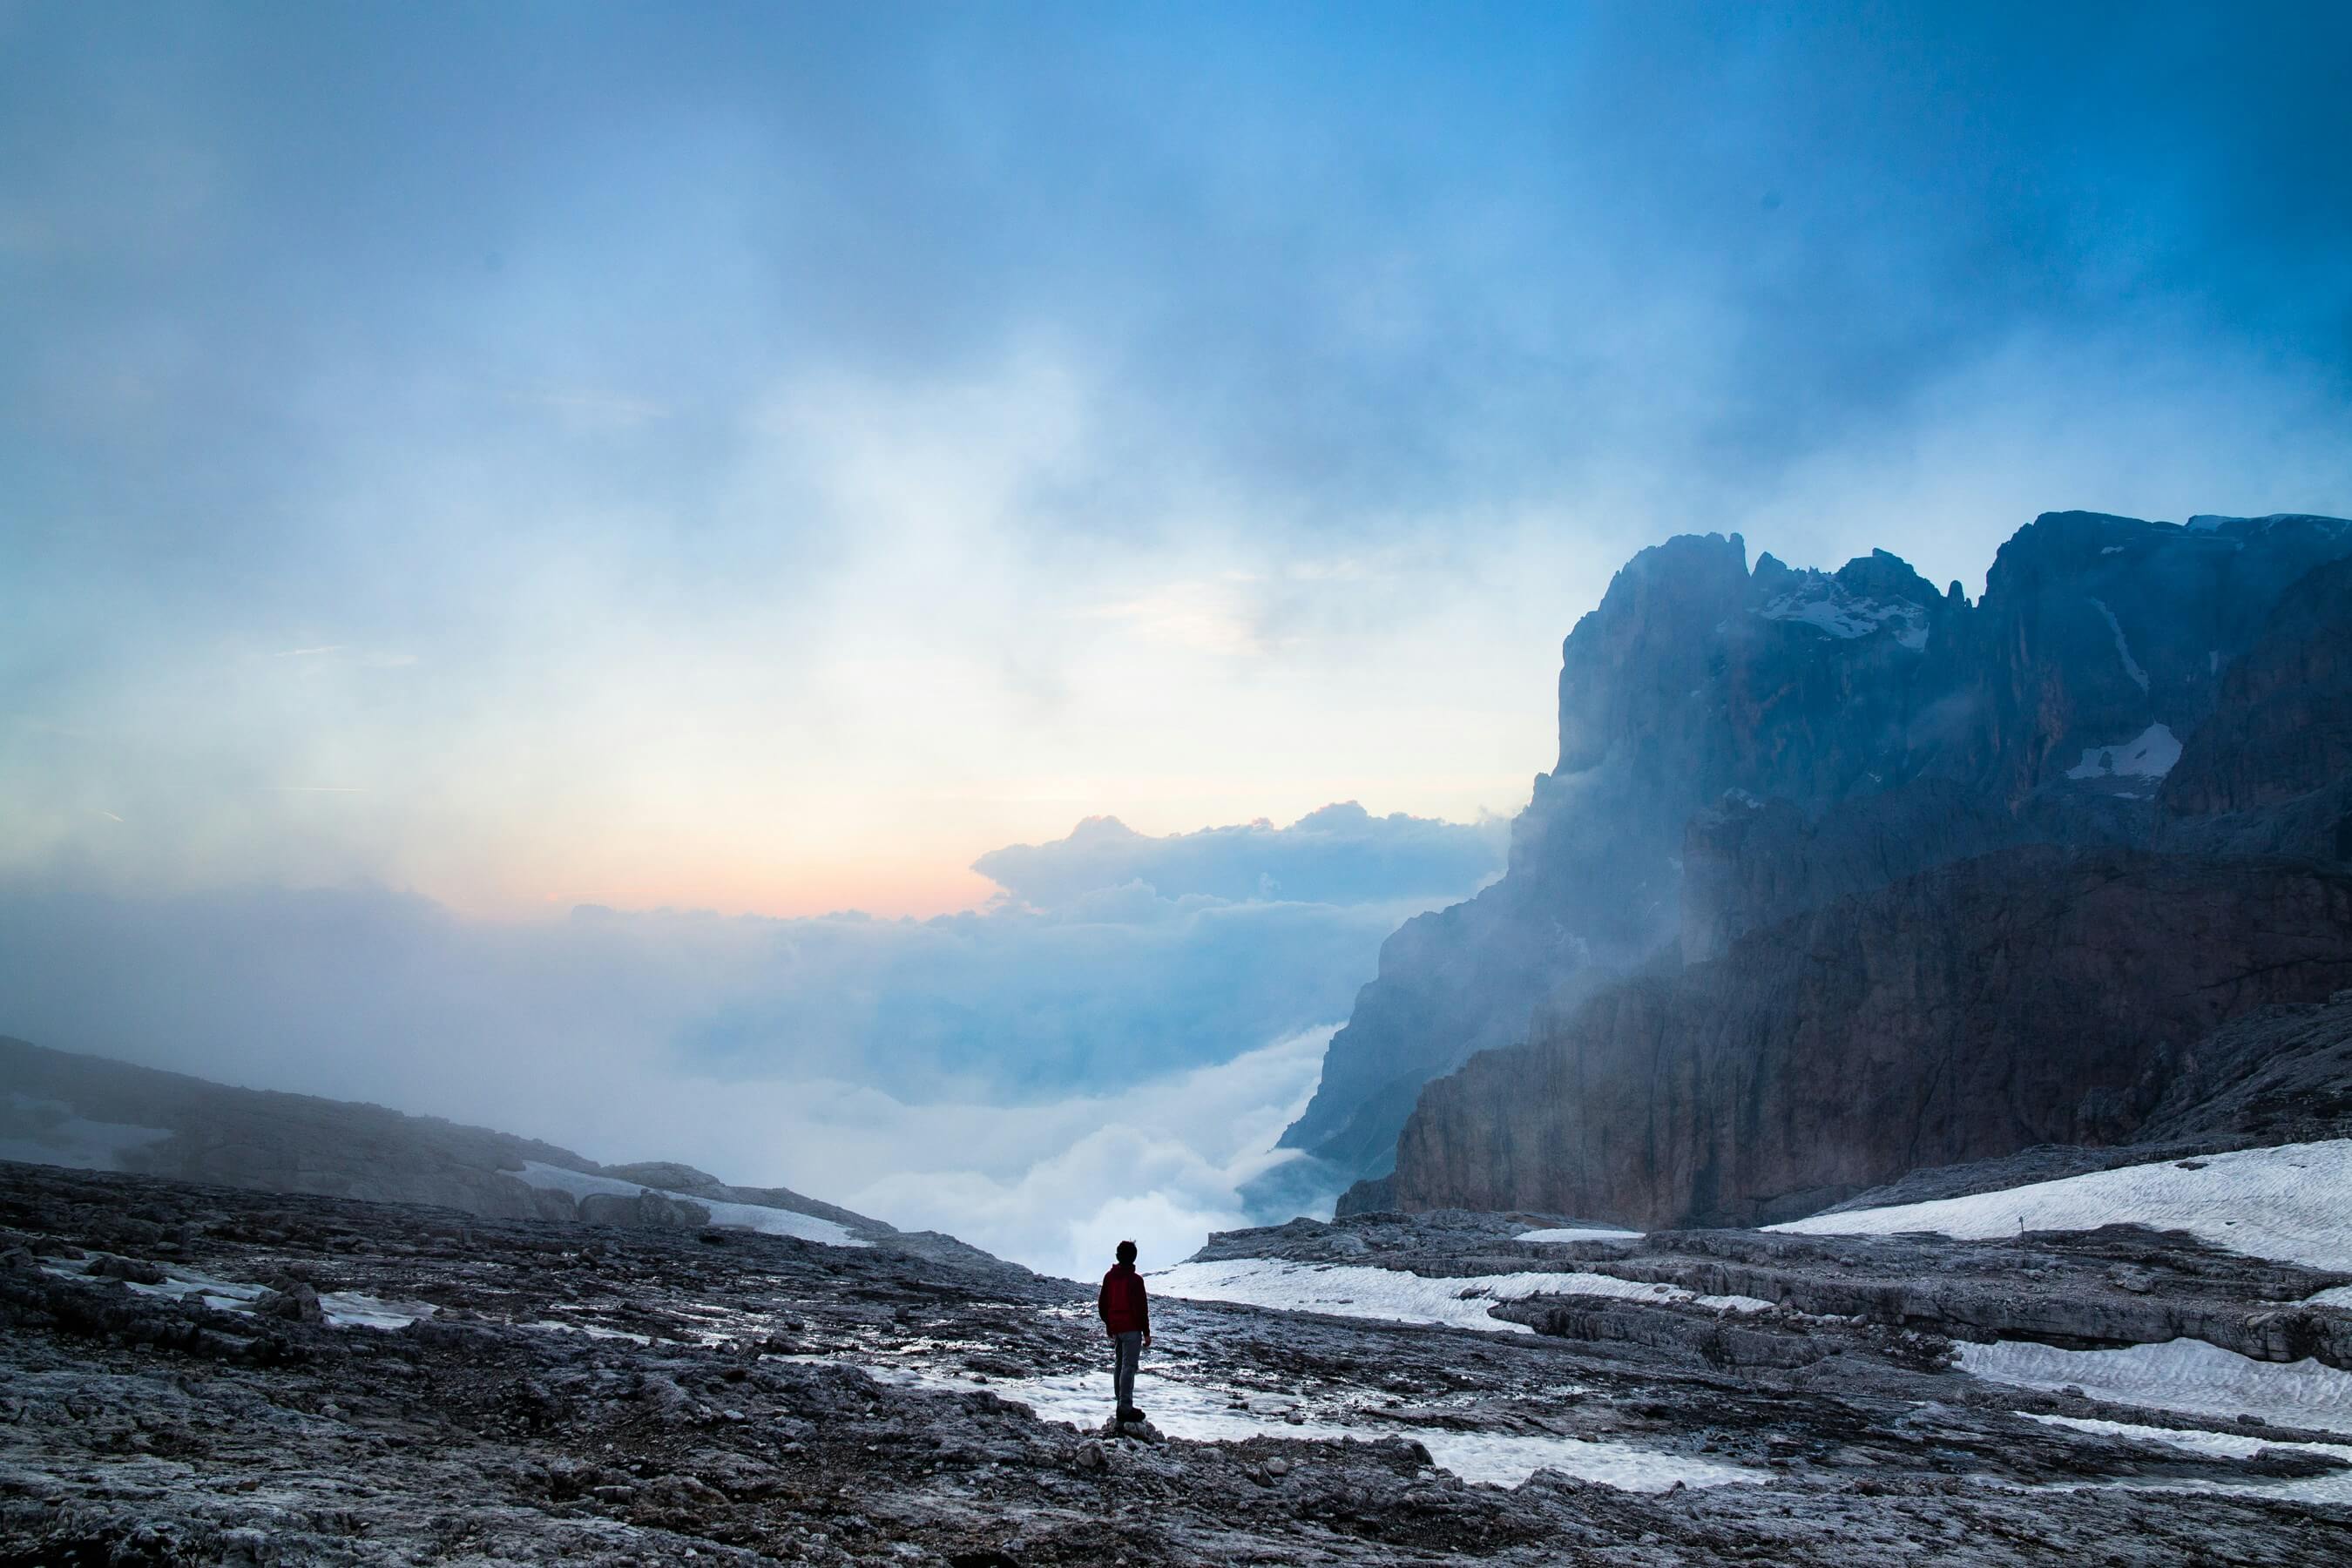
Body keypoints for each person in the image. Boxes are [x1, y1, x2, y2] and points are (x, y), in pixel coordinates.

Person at [1097, 1239, 1150, 1422]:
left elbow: (1102, 1305)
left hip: (1117, 1328)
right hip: (1132, 1329)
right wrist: (1146, 1332)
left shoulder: (1109, 1277)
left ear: (1118, 1256)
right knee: (1129, 1367)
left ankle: (1121, 1402)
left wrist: (1109, 1324)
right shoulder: (1136, 1280)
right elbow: (1141, 1308)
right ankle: (1125, 1408)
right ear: (1134, 1258)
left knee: (1119, 1365)